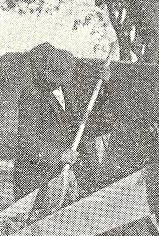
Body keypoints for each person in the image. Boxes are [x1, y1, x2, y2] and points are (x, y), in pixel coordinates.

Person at [13, 42, 110, 203]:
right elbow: (26, 143)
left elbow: (89, 114)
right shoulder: (31, 96)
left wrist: (104, 84)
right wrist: (59, 155)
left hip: (65, 174)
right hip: (37, 179)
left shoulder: (67, 88)